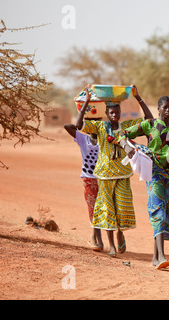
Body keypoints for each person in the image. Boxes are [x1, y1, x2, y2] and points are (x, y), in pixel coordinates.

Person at [77, 84, 153, 257]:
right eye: (111, 113)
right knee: (106, 209)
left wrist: (138, 97)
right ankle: (111, 245)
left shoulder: (126, 127)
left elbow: (149, 120)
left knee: (123, 207)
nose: (114, 115)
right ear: (107, 114)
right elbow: (79, 124)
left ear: (120, 113)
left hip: (123, 173)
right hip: (104, 174)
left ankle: (120, 234)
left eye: (117, 112)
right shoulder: (100, 127)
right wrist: (87, 101)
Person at [119, 95, 169, 270]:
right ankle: (161, 257)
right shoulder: (149, 125)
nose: (167, 110)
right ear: (158, 108)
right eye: (164, 107)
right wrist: (128, 148)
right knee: (158, 210)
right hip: (155, 173)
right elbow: (123, 134)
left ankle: (154, 257)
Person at [64, 85, 102, 251]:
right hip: (88, 178)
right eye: (91, 123)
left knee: (105, 207)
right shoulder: (83, 139)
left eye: (97, 122)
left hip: (104, 178)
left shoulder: (105, 139)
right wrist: (86, 103)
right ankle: (96, 237)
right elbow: (68, 127)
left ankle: (101, 238)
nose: (94, 125)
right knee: (93, 208)